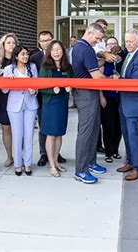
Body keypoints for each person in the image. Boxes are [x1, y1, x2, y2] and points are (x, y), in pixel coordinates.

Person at [72, 23, 107, 184]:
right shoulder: (85, 49)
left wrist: (103, 59)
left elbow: (89, 66)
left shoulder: (82, 47)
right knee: (86, 132)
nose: (98, 42)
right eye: (97, 38)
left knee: (94, 128)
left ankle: (90, 161)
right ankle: (81, 170)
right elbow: (97, 77)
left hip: (88, 92)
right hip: (86, 94)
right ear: (90, 33)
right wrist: (113, 79)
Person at [116, 28, 138, 181]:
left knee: (133, 136)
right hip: (125, 102)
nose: (127, 44)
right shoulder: (130, 54)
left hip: (134, 103)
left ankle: (137, 168)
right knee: (127, 135)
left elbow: (137, 81)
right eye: (126, 41)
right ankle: (130, 162)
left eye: (130, 41)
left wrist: (118, 81)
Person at [31, 31, 67, 166]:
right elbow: (36, 80)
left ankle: (55, 156)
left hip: (60, 102)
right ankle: (44, 154)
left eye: (48, 40)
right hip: (44, 100)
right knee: (45, 130)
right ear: (39, 42)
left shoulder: (65, 65)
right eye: (43, 40)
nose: (46, 42)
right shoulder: (36, 59)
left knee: (57, 131)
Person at [2, 45, 39, 176]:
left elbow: (37, 86)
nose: (25, 56)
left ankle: (27, 163)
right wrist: (8, 81)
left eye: (27, 54)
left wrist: (34, 91)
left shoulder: (33, 67)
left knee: (29, 135)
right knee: (17, 136)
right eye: (23, 54)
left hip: (30, 104)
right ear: (16, 56)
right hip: (14, 105)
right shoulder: (8, 69)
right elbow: (4, 90)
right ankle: (18, 164)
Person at [39, 41, 73, 177]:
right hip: (50, 103)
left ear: (63, 51)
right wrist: (52, 90)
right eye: (53, 50)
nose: (56, 52)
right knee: (51, 134)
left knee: (59, 133)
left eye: (59, 49)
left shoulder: (67, 67)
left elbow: (71, 82)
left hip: (62, 103)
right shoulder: (45, 67)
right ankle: (52, 164)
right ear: (49, 52)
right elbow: (41, 87)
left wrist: (69, 89)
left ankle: (57, 162)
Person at [0, 33, 17, 167]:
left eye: (13, 43)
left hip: (17, 97)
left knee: (18, 129)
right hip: (2, 99)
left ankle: (20, 155)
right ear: (3, 45)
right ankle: (9, 156)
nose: (11, 45)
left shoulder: (20, 59)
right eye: (9, 42)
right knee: (6, 129)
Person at [100, 37, 122, 163]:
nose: (112, 46)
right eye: (109, 44)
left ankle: (116, 150)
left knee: (118, 126)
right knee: (108, 125)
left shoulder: (122, 59)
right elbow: (97, 81)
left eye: (114, 43)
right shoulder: (103, 61)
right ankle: (108, 152)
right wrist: (101, 97)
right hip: (107, 97)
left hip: (120, 97)